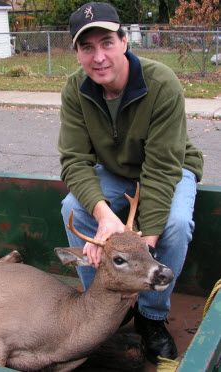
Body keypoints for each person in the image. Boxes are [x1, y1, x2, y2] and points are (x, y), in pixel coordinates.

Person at [58, 1, 204, 364]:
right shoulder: (76, 90)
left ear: (124, 41)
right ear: (76, 53)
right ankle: (105, 307)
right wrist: (104, 215)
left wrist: (145, 240)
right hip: (114, 170)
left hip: (169, 165)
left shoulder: (160, 84)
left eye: (106, 42)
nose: (99, 57)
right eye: (87, 47)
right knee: (71, 209)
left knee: (174, 225)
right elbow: (74, 161)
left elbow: (161, 168)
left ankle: (151, 317)